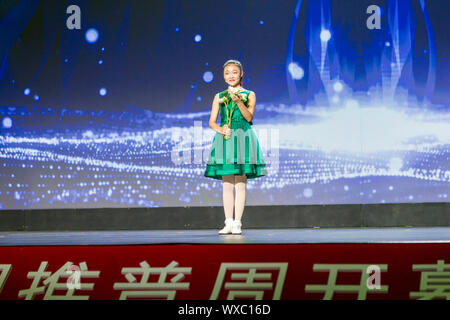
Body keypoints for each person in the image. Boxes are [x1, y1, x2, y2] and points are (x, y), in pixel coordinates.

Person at [204, 59, 267, 235]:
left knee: (240, 183)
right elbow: (211, 122)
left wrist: (239, 102)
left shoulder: (249, 94)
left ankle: (238, 222)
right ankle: (228, 222)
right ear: (223, 76)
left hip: (243, 138)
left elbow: (249, 118)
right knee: (226, 184)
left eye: (234, 72)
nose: (230, 75)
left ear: (241, 75)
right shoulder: (219, 96)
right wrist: (221, 129)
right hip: (225, 139)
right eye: (227, 73)